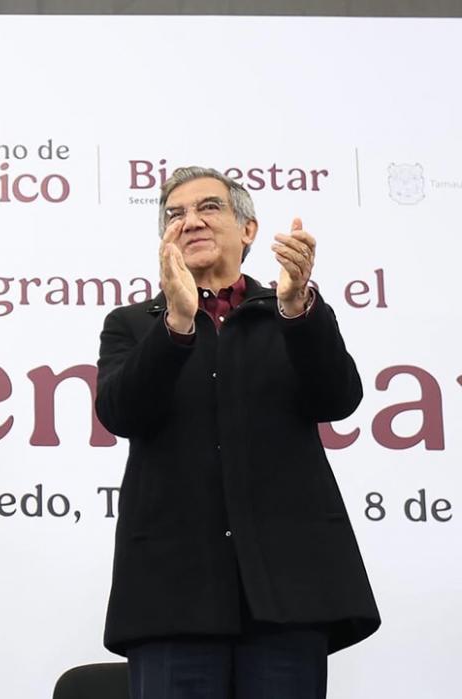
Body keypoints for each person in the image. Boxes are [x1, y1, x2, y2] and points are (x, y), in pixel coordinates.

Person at [94, 166, 380, 698]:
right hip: (172, 592)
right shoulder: (133, 324)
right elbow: (120, 413)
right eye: (175, 214)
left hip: (287, 590)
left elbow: (338, 399)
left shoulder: (291, 311)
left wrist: (296, 309)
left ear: (248, 230)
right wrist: (177, 323)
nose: (191, 221)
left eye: (209, 207)